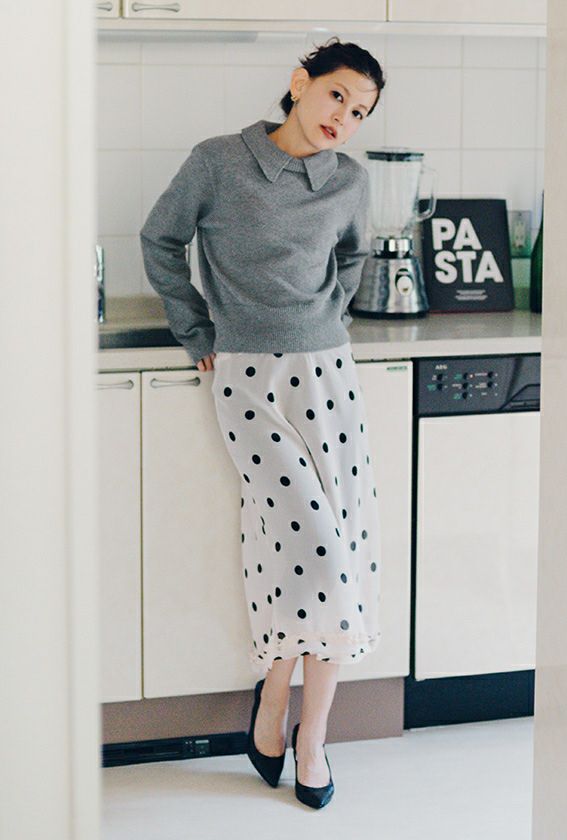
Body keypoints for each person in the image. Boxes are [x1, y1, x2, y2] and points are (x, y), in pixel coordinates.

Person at [139, 37, 386, 808]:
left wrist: (324, 320)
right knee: (313, 545)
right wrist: (197, 332)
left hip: (330, 374)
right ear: (300, 83)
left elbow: (353, 260)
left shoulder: (349, 181)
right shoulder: (218, 162)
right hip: (248, 376)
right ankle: (277, 700)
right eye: (337, 95)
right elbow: (159, 238)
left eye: (361, 111)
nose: (344, 118)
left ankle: (305, 730)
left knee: (338, 543)